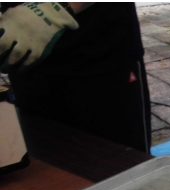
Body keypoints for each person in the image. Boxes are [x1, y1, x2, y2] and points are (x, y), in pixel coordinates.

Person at [0, 2, 151, 153]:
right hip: (25, 48)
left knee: (121, 158)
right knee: (42, 152)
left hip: (99, 56)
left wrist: (57, 9)